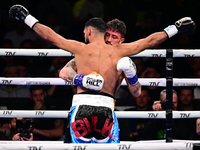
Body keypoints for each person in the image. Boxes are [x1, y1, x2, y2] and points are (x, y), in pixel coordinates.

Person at [9, 4, 195, 143]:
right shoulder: (121, 52)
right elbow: (150, 41)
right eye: (109, 35)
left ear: (89, 32)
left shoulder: (81, 49)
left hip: (81, 107)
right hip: (106, 109)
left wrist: (27, 17)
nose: (110, 39)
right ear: (103, 33)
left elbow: (50, 35)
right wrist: (176, 27)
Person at [60, 18, 132, 142]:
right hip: (82, 106)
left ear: (122, 41)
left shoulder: (123, 61)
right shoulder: (88, 53)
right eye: (107, 35)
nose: (109, 39)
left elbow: (136, 92)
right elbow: (64, 72)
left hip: (106, 109)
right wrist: (82, 80)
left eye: (114, 37)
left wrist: (132, 74)